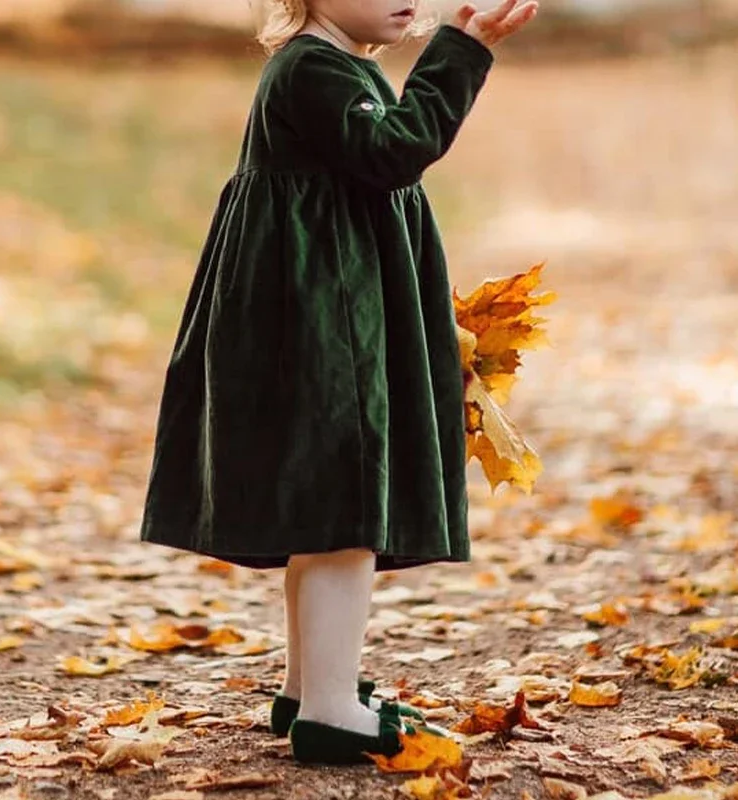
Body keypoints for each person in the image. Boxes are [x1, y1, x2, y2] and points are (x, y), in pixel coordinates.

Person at [139, 0, 539, 765]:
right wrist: (459, 49)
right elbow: (396, 152)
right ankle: (327, 707)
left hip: (329, 313)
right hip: (325, 326)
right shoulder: (312, 68)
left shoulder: (335, 65)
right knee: (347, 503)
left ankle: (308, 689)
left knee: (329, 505)